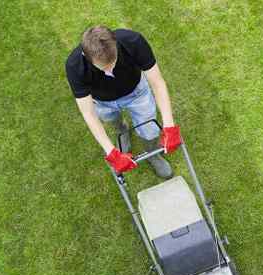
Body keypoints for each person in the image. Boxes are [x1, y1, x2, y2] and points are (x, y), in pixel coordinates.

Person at [65, 26, 182, 176]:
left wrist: (169, 125)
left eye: (113, 63)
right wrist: (111, 153)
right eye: (103, 67)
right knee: (112, 119)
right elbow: (89, 114)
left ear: (116, 44)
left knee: (150, 130)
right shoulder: (74, 66)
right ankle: (122, 130)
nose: (109, 70)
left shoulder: (134, 41)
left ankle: (152, 154)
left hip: (137, 93)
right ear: (86, 56)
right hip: (102, 102)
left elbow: (157, 83)